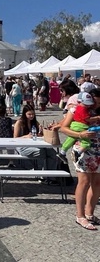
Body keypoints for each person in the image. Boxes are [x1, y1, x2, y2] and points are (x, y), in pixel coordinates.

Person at [58, 89, 100, 230]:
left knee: (97, 182)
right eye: (96, 101)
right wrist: (80, 134)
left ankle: (89, 213)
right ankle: (80, 215)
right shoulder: (76, 109)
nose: (96, 104)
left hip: (98, 150)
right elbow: (63, 128)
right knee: (84, 181)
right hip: (82, 148)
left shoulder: (96, 112)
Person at [13, 104, 58, 172]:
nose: (31, 116)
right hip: (22, 146)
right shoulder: (19, 123)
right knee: (41, 152)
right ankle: (41, 173)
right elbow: (15, 138)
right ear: (24, 114)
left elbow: (39, 135)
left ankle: (50, 175)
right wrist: (26, 136)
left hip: (35, 144)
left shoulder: (34, 122)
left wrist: (41, 131)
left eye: (33, 114)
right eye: (29, 114)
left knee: (52, 152)